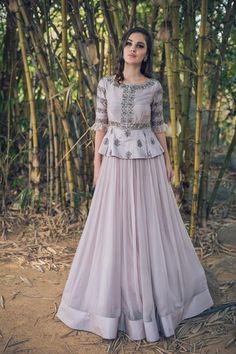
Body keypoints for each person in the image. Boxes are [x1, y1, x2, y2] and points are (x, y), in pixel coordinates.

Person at [56, 27, 213, 342]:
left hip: (147, 163)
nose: (132, 49)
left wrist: (167, 163)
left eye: (139, 46)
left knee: (146, 225)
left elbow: (158, 126)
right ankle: (112, 303)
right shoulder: (106, 85)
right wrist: (96, 165)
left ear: (146, 53)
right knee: (114, 226)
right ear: (122, 48)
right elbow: (100, 125)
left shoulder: (153, 87)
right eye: (128, 43)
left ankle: (152, 300)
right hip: (114, 161)